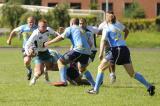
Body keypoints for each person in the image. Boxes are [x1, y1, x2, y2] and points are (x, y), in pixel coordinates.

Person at [87, 14, 155, 96]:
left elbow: (103, 41)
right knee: (132, 73)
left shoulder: (106, 27)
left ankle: (95, 90)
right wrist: (123, 40)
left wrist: (101, 53)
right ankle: (149, 86)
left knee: (100, 68)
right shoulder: (118, 24)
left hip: (116, 49)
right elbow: (126, 30)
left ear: (107, 20)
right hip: (125, 49)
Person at [44, 18, 95, 87]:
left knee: (61, 62)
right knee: (82, 69)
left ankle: (63, 81)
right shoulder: (82, 30)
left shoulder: (70, 28)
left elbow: (61, 37)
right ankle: (94, 84)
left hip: (78, 50)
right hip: (87, 52)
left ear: (71, 23)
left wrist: (49, 42)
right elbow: (90, 43)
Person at [25, 19, 60, 85]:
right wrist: (28, 53)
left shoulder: (48, 29)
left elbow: (55, 33)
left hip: (46, 51)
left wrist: (59, 34)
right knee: (39, 72)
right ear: (38, 27)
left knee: (49, 66)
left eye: (45, 26)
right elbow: (27, 44)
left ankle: (45, 70)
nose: (45, 28)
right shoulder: (35, 34)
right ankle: (34, 79)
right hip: (38, 54)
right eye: (43, 26)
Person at [98, 11, 129, 84]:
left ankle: (112, 74)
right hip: (107, 46)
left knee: (110, 61)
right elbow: (98, 33)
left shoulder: (117, 23)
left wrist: (123, 40)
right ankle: (108, 76)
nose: (108, 17)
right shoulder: (102, 25)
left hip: (116, 46)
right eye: (107, 15)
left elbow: (126, 31)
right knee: (106, 62)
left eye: (109, 15)